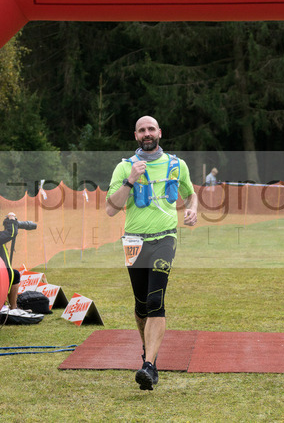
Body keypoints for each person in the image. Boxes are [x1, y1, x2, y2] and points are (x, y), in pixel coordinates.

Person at [106, 115, 198, 391]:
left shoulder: (177, 165)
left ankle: (148, 366)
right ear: (136, 136)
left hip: (165, 238)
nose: (147, 133)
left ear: (160, 132)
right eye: (141, 130)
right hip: (134, 241)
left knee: (156, 300)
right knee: (141, 305)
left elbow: (191, 194)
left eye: (151, 129)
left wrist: (192, 209)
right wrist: (130, 180)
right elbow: (111, 209)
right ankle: (149, 355)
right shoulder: (124, 167)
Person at [0, 212, 36, 315]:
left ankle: (12, 307)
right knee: (14, 274)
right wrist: (12, 219)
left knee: (14, 274)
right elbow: (11, 233)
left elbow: (4, 236)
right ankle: (12, 308)